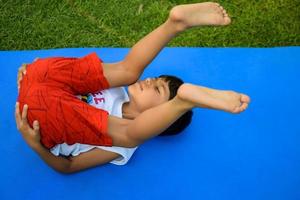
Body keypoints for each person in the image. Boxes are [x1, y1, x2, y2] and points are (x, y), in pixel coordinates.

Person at [15, 2, 250, 174]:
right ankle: (175, 24)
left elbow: (69, 166)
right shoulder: (118, 90)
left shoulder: (123, 146)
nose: (149, 81)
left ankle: (182, 102)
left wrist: (35, 145)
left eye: (157, 89)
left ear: (158, 118)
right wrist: (36, 74)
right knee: (127, 71)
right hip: (40, 80)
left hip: (39, 118)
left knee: (129, 135)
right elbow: (83, 73)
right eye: (155, 78)